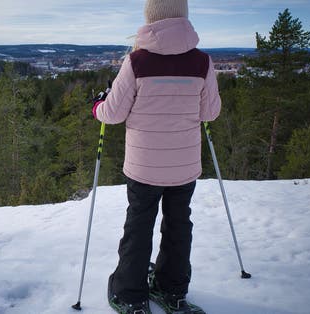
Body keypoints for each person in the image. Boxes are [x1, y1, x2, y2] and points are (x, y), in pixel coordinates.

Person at [92, 0, 221, 313]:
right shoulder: (202, 62)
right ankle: (172, 291)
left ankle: (130, 296)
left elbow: (112, 114)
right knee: (179, 224)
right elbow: (210, 112)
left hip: (143, 166)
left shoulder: (136, 61)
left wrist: (97, 104)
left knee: (139, 225)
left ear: (150, 17)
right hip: (184, 165)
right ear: (183, 17)